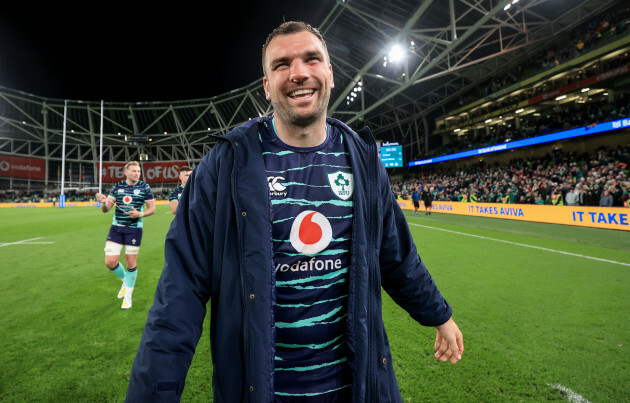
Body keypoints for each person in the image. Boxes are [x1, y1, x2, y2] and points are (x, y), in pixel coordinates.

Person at [126, 21, 463, 402]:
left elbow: (396, 256)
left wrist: (439, 314)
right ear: (267, 85)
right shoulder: (226, 165)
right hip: (260, 391)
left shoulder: (363, 160)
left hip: (357, 389)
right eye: (281, 64)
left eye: (311, 59)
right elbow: (180, 291)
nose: (298, 73)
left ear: (330, 74)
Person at [95, 161, 155, 309]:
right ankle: (125, 280)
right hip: (116, 228)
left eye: (138, 171)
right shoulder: (118, 186)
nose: (137, 173)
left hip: (134, 229)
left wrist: (139, 213)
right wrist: (103, 202)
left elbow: (152, 208)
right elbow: (106, 209)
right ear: (126, 173)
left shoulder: (144, 187)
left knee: (130, 262)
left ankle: (128, 295)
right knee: (110, 262)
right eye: (134, 171)